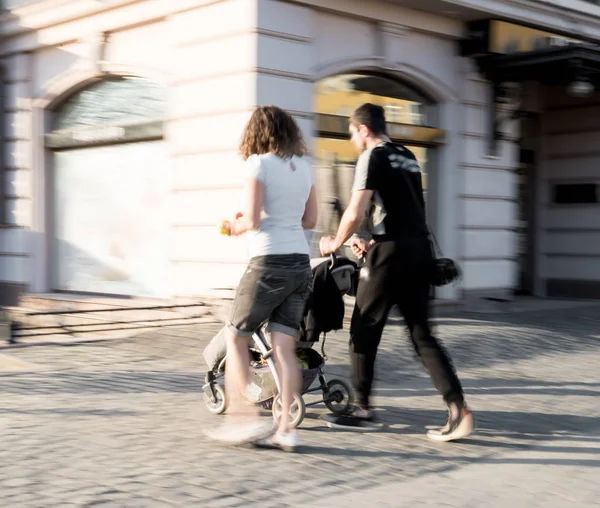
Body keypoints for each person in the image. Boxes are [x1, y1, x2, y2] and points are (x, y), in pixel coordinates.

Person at [319, 103, 473, 442]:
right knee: (422, 334)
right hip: (417, 250)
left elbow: (357, 209)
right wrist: (372, 241)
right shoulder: (408, 156)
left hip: (390, 256)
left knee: (364, 327)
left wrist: (335, 243)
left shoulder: (371, 157)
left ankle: (361, 408)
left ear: (363, 129)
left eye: (351, 132)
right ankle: (457, 408)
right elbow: (405, 210)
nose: (351, 138)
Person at [206, 105, 317, 452]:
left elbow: (251, 220)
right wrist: (275, 215)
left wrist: (235, 226)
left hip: (268, 262)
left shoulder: (259, 164)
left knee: (236, 337)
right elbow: (310, 219)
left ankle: (245, 419)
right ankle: (285, 430)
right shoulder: (306, 168)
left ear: (257, 133)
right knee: (283, 349)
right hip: (300, 263)